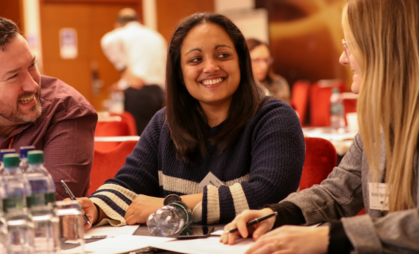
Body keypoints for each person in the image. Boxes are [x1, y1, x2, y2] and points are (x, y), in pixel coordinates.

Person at [221, 0, 419, 253]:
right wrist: (277, 213)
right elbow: (338, 192)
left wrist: (332, 237)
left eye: (349, 45)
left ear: (382, 49)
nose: (342, 58)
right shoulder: (379, 125)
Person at [77, 12, 305, 230]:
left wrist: (173, 206)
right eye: (195, 59)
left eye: (223, 55)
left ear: (241, 62)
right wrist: (95, 207)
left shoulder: (275, 117)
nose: (210, 67)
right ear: (179, 72)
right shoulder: (164, 123)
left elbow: (269, 192)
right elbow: (128, 184)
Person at [0, 16, 97, 200]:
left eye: (31, 66)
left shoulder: (66, 109)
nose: (33, 86)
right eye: (13, 76)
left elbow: (53, 203)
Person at [101, 8, 167, 135]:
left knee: (140, 141)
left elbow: (106, 41)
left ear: (118, 25)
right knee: (159, 137)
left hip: (138, 94)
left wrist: (124, 68)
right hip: (159, 93)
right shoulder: (156, 36)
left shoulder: (122, 33)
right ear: (139, 21)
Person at [246, 38, 290, 103]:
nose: (264, 66)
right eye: (256, 60)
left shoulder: (278, 83)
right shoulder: (237, 86)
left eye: (266, 60)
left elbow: (282, 111)